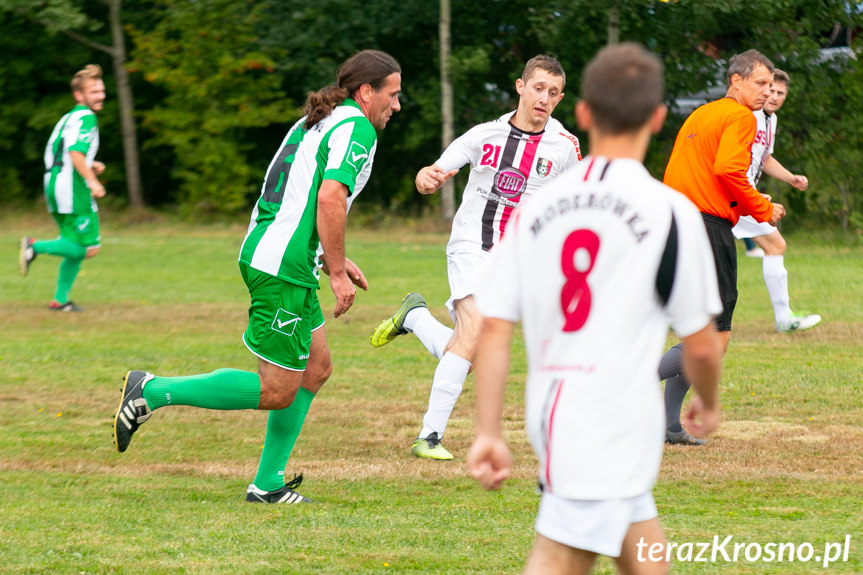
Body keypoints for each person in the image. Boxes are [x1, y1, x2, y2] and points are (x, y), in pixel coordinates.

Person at [467, 43, 723, 575]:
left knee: (643, 549)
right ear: (657, 118)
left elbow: (494, 328)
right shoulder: (670, 210)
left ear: (581, 114)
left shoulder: (537, 207)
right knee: (558, 557)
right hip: (607, 418)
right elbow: (700, 342)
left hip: (562, 410)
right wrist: (708, 399)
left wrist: (489, 430)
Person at [111, 50, 402, 503]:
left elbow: (299, 194)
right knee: (278, 389)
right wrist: (339, 273)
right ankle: (151, 390)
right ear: (367, 92)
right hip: (280, 264)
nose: (396, 105)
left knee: (315, 369)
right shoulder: (357, 127)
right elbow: (329, 199)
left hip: (283, 257)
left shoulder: (319, 120)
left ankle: (267, 484)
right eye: (393, 94)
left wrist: (330, 258)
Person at [369, 55, 583, 460]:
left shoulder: (566, 147)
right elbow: (429, 174)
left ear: (560, 99)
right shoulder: (484, 135)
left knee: (469, 350)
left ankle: (413, 317)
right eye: (538, 88)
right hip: (471, 246)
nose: (544, 98)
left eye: (553, 93)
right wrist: (426, 179)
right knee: (475, 330)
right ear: (521, 87)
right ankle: (428, 437)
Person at [660, 49, 786, 446]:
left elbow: (688, 170)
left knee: (700, 329)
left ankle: (668, 426)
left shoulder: (702, 113)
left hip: (676, 222)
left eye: (771, 85)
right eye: (761, 83)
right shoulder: (740, 116)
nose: (768, 91)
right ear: (737, 81)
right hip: (705, 226)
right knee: (717, 336)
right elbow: (729, 170)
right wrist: (763, 207)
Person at [732, 69, 821, 333]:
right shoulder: (749, 115)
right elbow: (735, 159)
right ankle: (783, 318)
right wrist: (752, 193)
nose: (774, 96)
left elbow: (764, 157)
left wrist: (790, 178)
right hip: (734, 194)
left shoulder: (771, 120)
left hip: (742, 194)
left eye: (780, 92)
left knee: (774, 245)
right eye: (770, 89)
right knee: (774, 245)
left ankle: (784, 318)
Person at [19, 64, 108, 311]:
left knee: (72, 243)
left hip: (54, 184)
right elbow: (75, 152)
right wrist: (91, 180)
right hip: (73, 188)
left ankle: (60, 300)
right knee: (88, 248)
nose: (100, 95)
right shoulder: (87, 117)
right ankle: (34, 246)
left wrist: (92, 166)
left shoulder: (68, 118)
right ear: (79, 95)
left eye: (101, 90)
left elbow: (65, 153)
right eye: (94, 91)